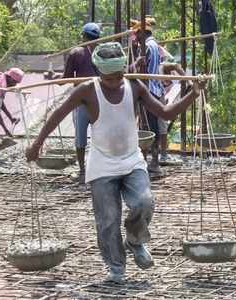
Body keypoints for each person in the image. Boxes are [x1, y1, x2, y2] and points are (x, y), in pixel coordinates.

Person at [26, 42, 204, 284]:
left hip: (132, 160)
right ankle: (116, 267)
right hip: (102, 164)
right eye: (109, 78)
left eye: (118, 76)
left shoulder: (134, 86)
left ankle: (135, 240)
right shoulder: (87, 90)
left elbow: (166, 112)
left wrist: (193, 93)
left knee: (144, 202)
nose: (114, 82)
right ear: (100, 73)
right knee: (108, 220)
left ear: (123, 71)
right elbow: (59, 112)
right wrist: (37, 144)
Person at [49, 22, 101, 185]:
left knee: (80, 136)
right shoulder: (101, 53)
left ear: (83, 36)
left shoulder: (76, 52)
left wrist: (54, 77)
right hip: (100, 100)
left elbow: (66, 78)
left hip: (81, 100)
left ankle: (83, 170)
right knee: (100, 134)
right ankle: (99, 167)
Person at [131, 17, 166, 177]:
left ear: (142, 33)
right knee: (152, 127)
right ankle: (152, 161)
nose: (136, 38)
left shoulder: (146, 46)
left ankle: (152, 162)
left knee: (148, 128)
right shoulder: (154, 45)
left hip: (148, 90)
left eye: (137, 34)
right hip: (155, 90)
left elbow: (137, 69)